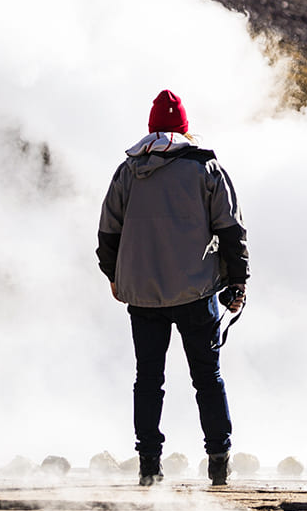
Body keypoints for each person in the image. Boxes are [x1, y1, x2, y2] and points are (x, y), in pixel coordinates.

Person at [96, 89, 248, 487]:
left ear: (151, 127)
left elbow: (107, 231)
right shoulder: (205, 168)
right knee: (207, 377)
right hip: (196, 292)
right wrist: (238, 281)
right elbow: (230, 229)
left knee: (148, 379)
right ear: (184, 127)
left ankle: (149, 465)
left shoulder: (128, 170)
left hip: (142, 294)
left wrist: (114, 276)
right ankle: (218, 460)